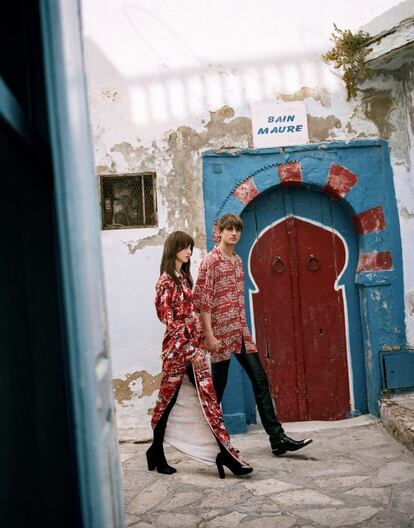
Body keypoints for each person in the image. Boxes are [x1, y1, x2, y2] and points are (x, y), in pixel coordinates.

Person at [193, 214, 312, 456]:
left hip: (240, 333)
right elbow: (202, 302)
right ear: (220, 232)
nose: (234, 233)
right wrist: (209, 336)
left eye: (237, 230)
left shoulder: (237, 261)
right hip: (219, 336)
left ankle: (277, 439)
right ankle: (207, 440)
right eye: (229, 229)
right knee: (217, 389)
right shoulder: (211, 262)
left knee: (260, 380)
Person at [146, 231, 253, 479]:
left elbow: (191, 316)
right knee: (167, 403)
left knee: (208, 400)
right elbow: (169, 321)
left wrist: (200, 343)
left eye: (191, 248)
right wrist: (189, 349)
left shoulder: (184, 278)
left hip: (193, 350)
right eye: (185, 248)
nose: (189, 252)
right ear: (174, 249)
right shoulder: (165, 282)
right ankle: (156, 452)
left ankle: (225, 453)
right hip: (177, 352)